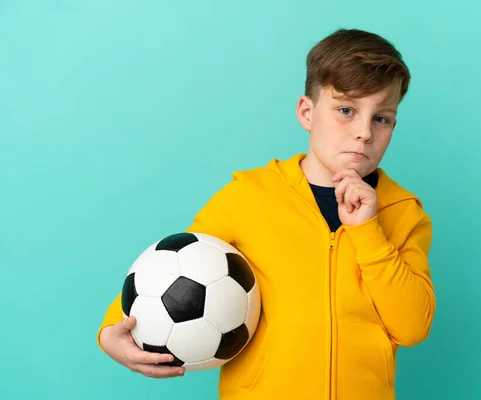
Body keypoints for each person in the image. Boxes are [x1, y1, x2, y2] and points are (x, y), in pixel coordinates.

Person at [96, 28, 436, 400]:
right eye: (346, 110)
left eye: (381, 118)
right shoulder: (249, 197)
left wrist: (369, 231)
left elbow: (413, 327)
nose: (364, 133)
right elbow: (172, 266)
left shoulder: (402, 212)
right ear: (307, 113)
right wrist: (112, 328)